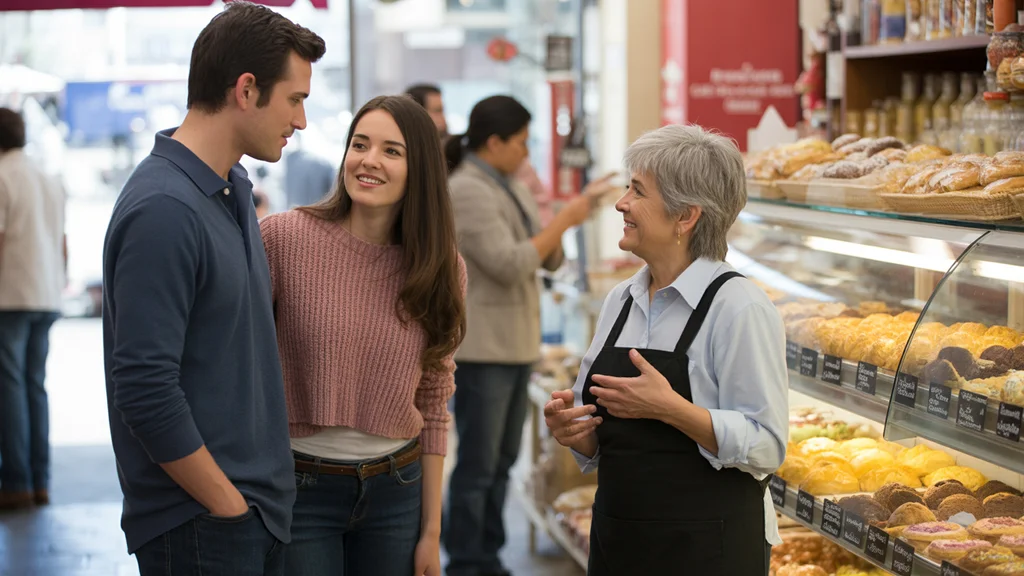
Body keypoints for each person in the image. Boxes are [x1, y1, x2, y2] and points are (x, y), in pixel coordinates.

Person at [101, 3, 325, 574]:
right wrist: (228, 506)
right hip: (201, 524)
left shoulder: (231, 187)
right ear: (246, 89)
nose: (301, 121)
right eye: (295, 99)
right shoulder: (164, 209)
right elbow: (145, 389)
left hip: (247, 513)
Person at [543, 124, 788, 575]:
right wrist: (578, 431)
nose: (621, 203)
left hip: (708, 550)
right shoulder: (620, 301)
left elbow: (768, 446)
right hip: (621, 540)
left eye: (637, 191)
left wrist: (673, 409)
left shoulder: (739, 307)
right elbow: (602, 435)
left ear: (685, 216)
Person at [260, 95, 464, 576]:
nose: (369, 160)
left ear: (421, 170)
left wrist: (431, 534)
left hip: (398, 488)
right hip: (298, 486)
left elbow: (435, 401)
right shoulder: (283, 240)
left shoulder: (441, 267)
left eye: (392, 151)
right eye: (360, 144)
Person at [443, 95, 615, 576]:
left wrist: (571, 218)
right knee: (478, 464)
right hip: (484, 348)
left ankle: (488, 553)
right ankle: (466, 559)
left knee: (502, 460)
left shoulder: (509, 183)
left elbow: (546, 256)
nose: (526, 151)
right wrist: (566, 218)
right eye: (520, 142)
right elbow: (511, 262)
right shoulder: (467, 189)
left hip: (516, 343)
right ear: (494, 142)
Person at [0, 107, 66, 511]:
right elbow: (63, 241)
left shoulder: (2, 175)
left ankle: (17, 483)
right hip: (47, 293)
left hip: (10, 297)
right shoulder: (47, 177)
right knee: (35, 388)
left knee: (10, 391)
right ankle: (40, 482)